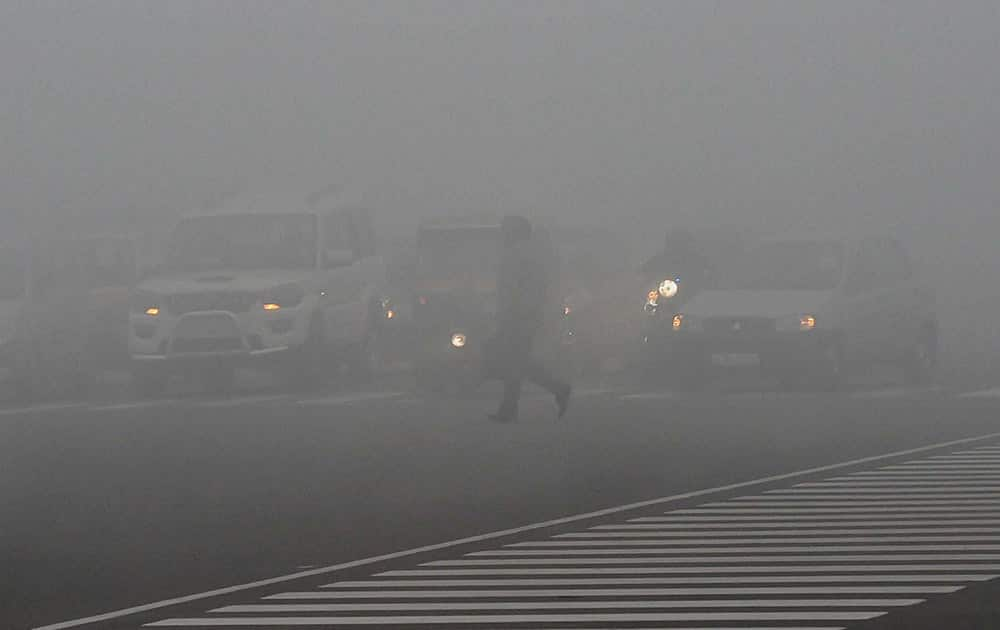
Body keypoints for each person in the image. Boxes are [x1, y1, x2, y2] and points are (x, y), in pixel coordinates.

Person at [486, 215, 571, 423]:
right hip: (522, 315)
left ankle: (557, 389)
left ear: (514, 232)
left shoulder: (519, 255)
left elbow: (520, 289)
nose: (502, 234)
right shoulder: (524, 254)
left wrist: (513, 313)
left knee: (514, 361)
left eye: (506, 230)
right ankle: (511, 407)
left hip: (519, 316)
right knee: (516, 361)